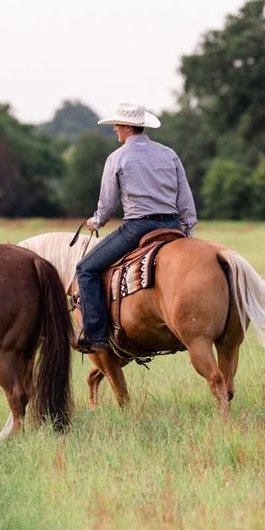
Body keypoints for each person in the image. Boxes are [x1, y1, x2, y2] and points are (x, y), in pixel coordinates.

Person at [74, 102, 197, 353]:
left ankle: (96, 335)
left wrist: (96, 221)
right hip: (173, 225)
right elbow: (185, 198)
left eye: (118, 125)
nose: (115, 130)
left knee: (85, 268)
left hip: (138, 227)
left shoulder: (117, 158)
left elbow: (108, 203)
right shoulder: (169, 153)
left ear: (129, 127)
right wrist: (188, 232)